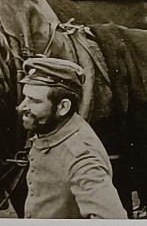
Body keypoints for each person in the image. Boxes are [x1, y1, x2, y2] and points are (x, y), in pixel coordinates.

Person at [17, 57, 126, 219]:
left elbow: (112, 218)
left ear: (63, 107)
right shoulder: (52, 129)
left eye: (34, 101)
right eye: (25, 97)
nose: (22, 107)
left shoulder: (81, 156)